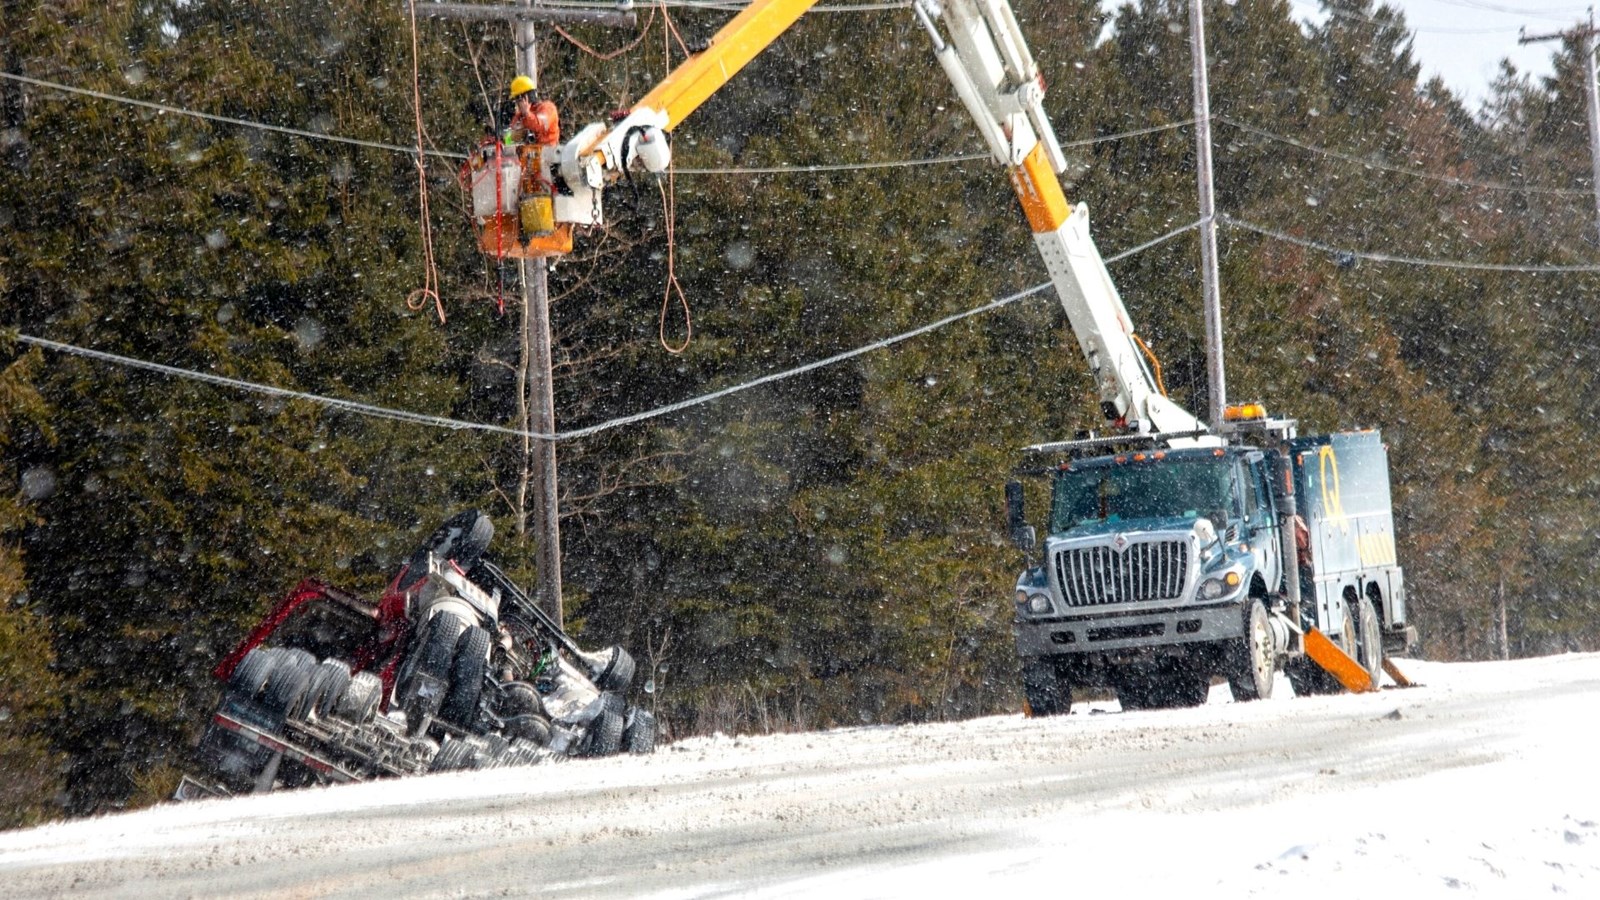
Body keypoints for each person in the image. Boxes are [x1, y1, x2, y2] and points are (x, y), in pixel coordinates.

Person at [505, 75, 559, 149]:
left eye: (518, 99)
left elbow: (539, 126)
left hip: (548, 155)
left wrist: (527, 114)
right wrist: (511, 137)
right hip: (526, 157)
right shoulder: (520, 116)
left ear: (526, 97)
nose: (517, 103)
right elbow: (508, 140)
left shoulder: (548, 108)